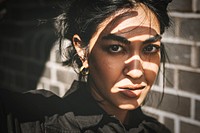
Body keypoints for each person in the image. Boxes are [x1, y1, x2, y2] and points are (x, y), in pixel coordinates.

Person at [0, 0, 172, 132]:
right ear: (82, 50)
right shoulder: (41, 124)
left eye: (149, 48)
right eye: (115, 48)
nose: (136, 72)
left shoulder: (158, 130)